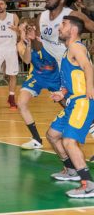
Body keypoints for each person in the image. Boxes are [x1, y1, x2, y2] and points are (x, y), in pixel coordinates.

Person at [46, 16, 94, 198]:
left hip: (83, 100)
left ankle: (88, 184)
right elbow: (76, 76)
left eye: (63, 24)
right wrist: (63, 93)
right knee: (52, 135)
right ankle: (71, 169)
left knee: (68, 141)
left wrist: (90, 88)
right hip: (73, 100)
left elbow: (88, 67)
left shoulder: (76, 46)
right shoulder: (68, 51)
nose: (59, 28)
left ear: (73, 30)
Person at [16, 20, 60, 150]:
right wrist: (29, 44)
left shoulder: (46, 39)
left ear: (34, 28)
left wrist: (37, 40)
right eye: (22, 31)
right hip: (37, 76)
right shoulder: (20, 44)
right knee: (21, 103)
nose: (23, 33)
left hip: (55, 75)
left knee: (71, 103)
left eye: (26, 29)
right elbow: (27, 60)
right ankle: (36, 139)